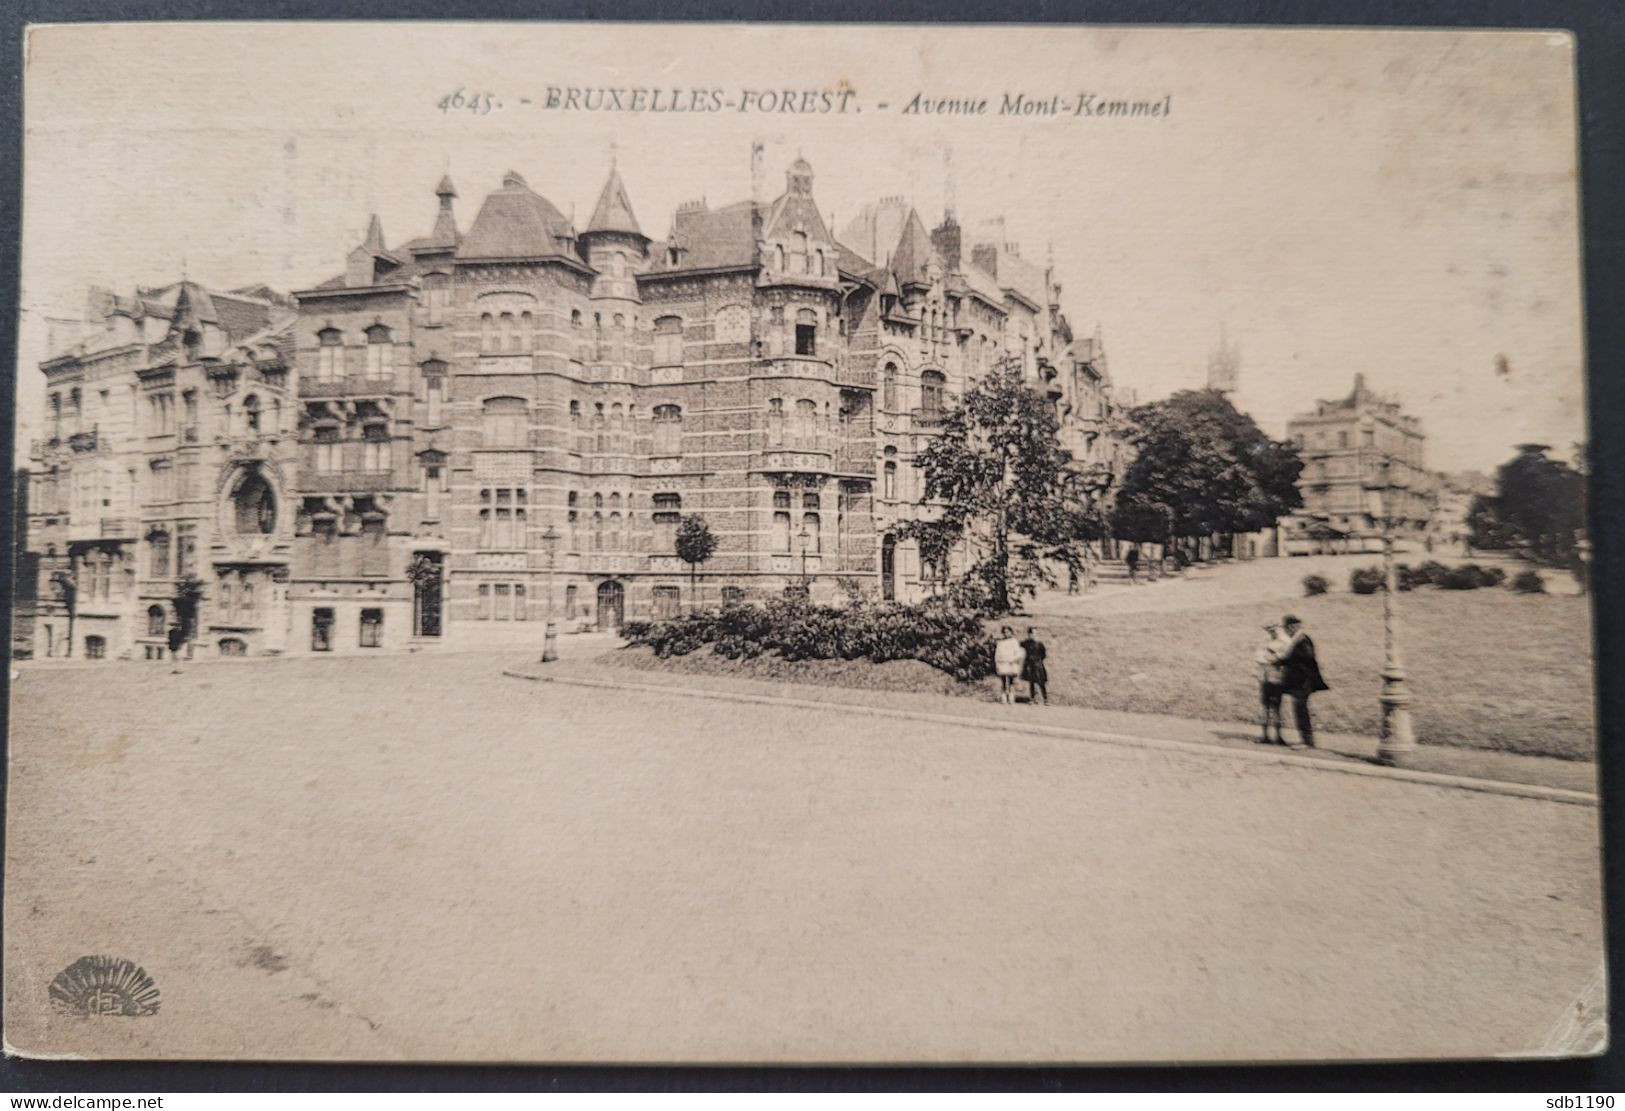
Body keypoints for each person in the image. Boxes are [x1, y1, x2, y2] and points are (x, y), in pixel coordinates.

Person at [1277, 614, 1329, 748]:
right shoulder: (1297, 640)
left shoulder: (1302, 639)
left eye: (1286, 629)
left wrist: (1286, 658)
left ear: (1292, 627)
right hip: (1299, 682)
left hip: (1303, 682)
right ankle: (1306, 740)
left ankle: (1307, 741)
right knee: (1299, 708)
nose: (1286, 632)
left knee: (1300, 709)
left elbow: (1308, 656)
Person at [1255, 622, 1289, 744]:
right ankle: (1264, 736)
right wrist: (1271, 659)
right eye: (1269, 629)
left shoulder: (1284, 642)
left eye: (1273, 629)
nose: (1271, 631)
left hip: (1277, 678)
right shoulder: (1264, 641)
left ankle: (1278, 736)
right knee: (1265, 706)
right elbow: (1258, 657)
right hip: (1265, 677)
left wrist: (1274, 658)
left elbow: (1286, 658)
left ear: (1278, 629)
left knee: (1277, 707)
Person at [993, 625, 1025, 705]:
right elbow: (997, 654)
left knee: (1011, 681)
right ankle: (1004, 698)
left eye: (1008, 632)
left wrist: (1013, 659)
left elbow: (1018, 653)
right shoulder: (1000, 642)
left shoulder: (1014, 641)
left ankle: (1011, 698)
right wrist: (997, 663)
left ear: (1011, 632)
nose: (1006, 634)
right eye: (1005, 632)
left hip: (1011, 663)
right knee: (1003, 681)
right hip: (1003, 663)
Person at [1020, 627, 1049, 705]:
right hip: (1030, 665)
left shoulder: (1040, 644)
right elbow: (1019, 646)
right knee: (1031, 682)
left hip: (1038, 665)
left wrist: (1038, 661)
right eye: (1031, 633)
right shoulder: (1026, 643)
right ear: (1028, 634)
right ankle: (1032, 699)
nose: (1032, 635)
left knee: (1041, 682)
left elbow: (1044, 654)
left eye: (1034, 633)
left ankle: (1046, 699)